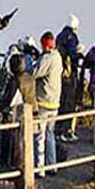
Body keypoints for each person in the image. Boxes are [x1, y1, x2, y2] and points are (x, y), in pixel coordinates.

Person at [31, 32, 62, 176]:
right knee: (50, 134)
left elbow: (34, 73)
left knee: (40, 136)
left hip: (43, 101)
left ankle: (40, 168)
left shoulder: (47, 58)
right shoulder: (58, 57)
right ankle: (52, 165)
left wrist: (34, 60)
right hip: (55, 102)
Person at [0, 53, 36, 168]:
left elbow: (10, 98)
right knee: (22, 140)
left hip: (13, 112)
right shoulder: (30, 79)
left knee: (8, 139)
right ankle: (19, 162)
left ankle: (5, 162)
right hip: (27, 112)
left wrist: (2, 107)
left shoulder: (15, 80)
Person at [57, 14, 84, 142]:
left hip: (60, 73)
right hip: (70, 74)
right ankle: (66, 130)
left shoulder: (60, 36)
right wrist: (79, 54)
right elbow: (72, 55)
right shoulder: (72, 38)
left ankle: (58, 129)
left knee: (61, 101)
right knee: (69, 103)